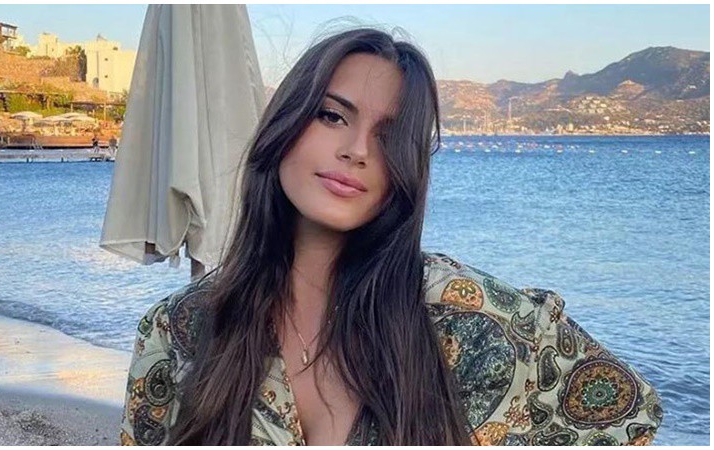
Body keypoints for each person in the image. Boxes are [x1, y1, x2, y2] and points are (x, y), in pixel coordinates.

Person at [119, 27, 663, 446]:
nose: (357, 150)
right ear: (285, 124)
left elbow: (629, 412)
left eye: (388, 136)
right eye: (332, 117)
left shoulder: (462, 314)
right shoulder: (179, 329)